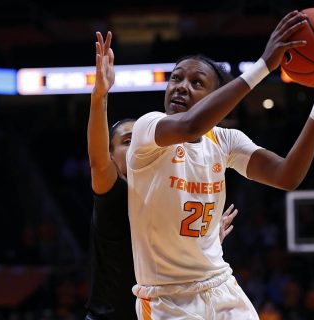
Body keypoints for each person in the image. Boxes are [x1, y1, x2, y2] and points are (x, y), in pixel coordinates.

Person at [115, 9, 314, 319]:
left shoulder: (224, 140)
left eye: (196, 82)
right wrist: (264, 65)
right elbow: (190, 126)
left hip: (220, 287)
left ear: (217, 99)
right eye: (176, 78)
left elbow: (287, 176)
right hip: (168, 299)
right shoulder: (149, 127)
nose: (181, 86)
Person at [85, 37, 238, 319]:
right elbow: (97, 160)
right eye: (127, 141)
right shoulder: (114, 193)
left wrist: (207, 240)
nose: (135, 147)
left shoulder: (171, 191)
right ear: (112, 154)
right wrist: (99, 95)